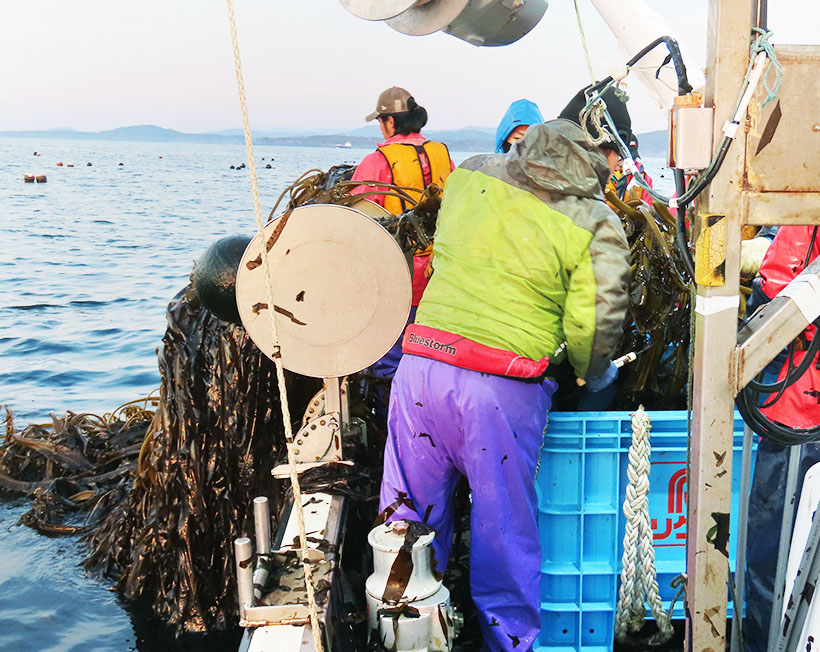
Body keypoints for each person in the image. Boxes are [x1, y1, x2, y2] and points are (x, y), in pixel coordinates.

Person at [378, 85, 632, 651]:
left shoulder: (471, 172)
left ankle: (403, 637)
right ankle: (508, 643)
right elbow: (595, 324)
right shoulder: (596, 221)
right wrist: (592, 374)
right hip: (499, 389)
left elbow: (449, 256)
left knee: (406, 526)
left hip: (420, 369)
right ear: (602, 153)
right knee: (502, 532)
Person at [744, 225, 820, 652]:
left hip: (798, 416)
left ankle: (767, 643)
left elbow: (775, 291)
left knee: (772, 556)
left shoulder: (805, 214)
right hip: (799, 410)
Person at [350, 86, 454, 215]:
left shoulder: (377, 160)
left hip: (397, 228)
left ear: (390, 122)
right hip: (440, 227)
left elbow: (357, 213)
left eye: (380, 122)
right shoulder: (442, 154)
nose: (380, 128)